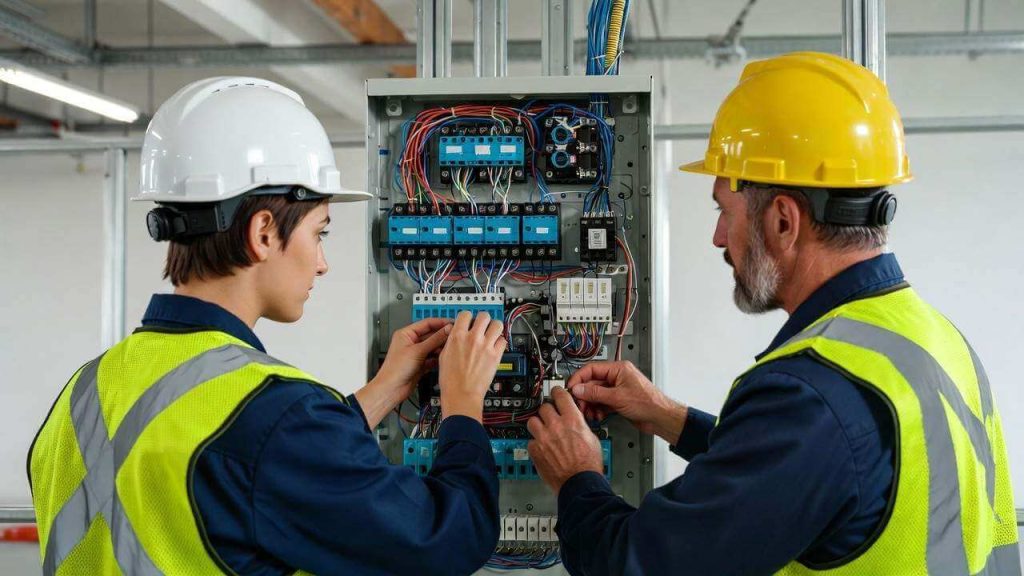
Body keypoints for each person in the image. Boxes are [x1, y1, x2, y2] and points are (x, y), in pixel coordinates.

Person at [527, 52, 1019, 575]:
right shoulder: (931, 337)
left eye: (724, 211)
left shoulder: (811, 393)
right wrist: (671, 419)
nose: (718, 237)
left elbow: (639, 564)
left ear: (784, 220)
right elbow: (815, 475)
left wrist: (577, 477)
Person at [28, 77, 505, 576]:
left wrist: (386, 389)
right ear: (263, 233)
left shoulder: (83, 392)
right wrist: (462, 404)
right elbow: (447, 540)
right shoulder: (278, 414)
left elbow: (242, 467)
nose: (322, 263)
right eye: (319, 232)